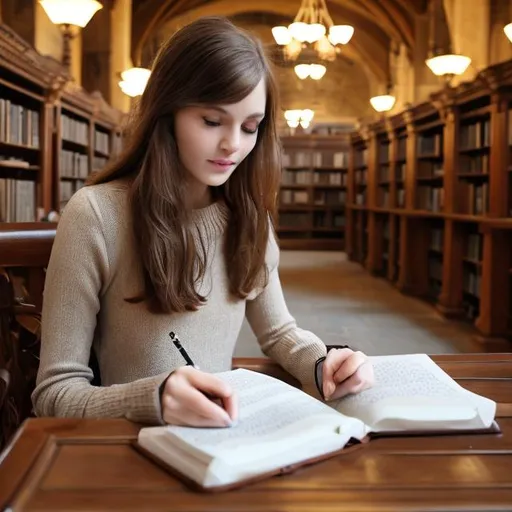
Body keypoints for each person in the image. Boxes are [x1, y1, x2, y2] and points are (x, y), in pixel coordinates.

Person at [32, 16, 374, 428]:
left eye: (250, 127)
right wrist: (153, 397)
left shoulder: (249, 217)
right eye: (212, 121)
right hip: (126, 452)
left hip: (217, 440)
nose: (233, 144)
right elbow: (55, 393)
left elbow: (280, 332)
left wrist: (323, 363)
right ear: (168, 112)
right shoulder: (96, 215)